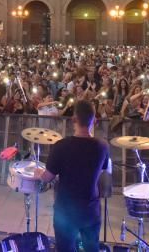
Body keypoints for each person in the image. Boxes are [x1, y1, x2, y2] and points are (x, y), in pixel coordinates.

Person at [35, 100, 109, 252]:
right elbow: (102, 172)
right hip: (90, 210)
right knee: (91, 248)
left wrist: (39, 173)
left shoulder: (60, 146)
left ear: (74, 119)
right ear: (94, 120)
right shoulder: (102, 146)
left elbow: (48, 177)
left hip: (66, 211)